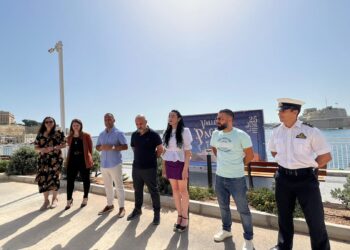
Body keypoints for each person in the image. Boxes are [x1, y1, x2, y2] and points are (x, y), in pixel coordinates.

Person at [268, 98, 332, 250]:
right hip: (283, 178)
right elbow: (273, 150)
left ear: (295, 111)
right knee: (284, 216)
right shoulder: (276, 131)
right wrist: (284, 161)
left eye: (283, 110)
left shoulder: (310, 131)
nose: (279, 113)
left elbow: (325, 156)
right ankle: (283, 246)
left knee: (315, 219)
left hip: (305, 180)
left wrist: (309, 166)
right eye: (279, 110)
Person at [210, 109, 254, 250]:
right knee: (223, 207)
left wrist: (237, 165)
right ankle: (226, 231)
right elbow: (214, 149)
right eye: (217, 118)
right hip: (220, 177)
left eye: (220, 119)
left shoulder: (241, 135)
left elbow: (250, 156)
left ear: (230, 120)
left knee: (243, 210)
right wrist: (223, 162)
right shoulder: (216, 134)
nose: (217, 121)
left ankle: (248, 239)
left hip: (236, 179)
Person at [127, 115, 163, 225]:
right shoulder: (134, 135)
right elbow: (134, 148)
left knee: (153, 191)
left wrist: (152, 158)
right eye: (137, 124)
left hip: (150, 168)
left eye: (141, 123)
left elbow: (160, 149)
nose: (139, 126)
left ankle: (157, 214)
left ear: (146, 122)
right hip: (136, 168)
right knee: (137, 190)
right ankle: (137, 209)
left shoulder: (154, 135)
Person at [162, 110, 192, 232]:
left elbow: (188, 152)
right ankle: (179, 215)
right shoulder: (166, 132)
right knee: (174, 191)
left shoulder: (185, 131)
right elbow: (165, 152)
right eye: (169, 116)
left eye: (173, 116)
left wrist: (185, 169)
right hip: (169, 163)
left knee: (183, 191)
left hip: (181, 164)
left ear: (179, 119)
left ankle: (185, 217)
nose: (170, 118)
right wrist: (164, 168)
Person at [96, 113, 128, 217]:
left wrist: (113, 147)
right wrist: (101, 148)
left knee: (119, 186)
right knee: (108, 187)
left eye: (109, 119)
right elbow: (97, 147)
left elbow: (125, 146)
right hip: (104, 165)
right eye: (105, 119)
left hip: (115, 164)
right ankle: (110, 205)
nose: (107, 121)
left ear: (114, 120)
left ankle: (122, 208)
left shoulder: (119, 133)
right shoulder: (101, 134)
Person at [34, 116, 66, 210]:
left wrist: (54, 148)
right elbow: (36, 147)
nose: (49, 123)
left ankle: (55, 199)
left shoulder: (58, 133)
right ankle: (46, 201)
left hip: (55, 160)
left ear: (54, 123)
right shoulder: (40, 134)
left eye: (51, 121)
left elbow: (64, 144)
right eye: (47, 122)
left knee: (54, 178)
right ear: (44, 123)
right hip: (43, 160)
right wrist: (42, 149)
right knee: (43, 180)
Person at [65, 119, 93, 210]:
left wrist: (89, 160)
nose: (75, 127)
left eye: (77, 125)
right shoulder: (69, 137)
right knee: (70, 181)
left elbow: (90, 149)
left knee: (86, 180)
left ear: (81, 126)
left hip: (83, 160)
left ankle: (85, 198)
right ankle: (69, 200)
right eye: (74, 125)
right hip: (72, 161)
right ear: (71, 126)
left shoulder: (86, 135)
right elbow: (67, 147)